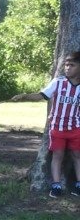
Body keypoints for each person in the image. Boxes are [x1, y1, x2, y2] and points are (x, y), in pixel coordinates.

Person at [11, 51, 80, 198]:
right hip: (57, 127)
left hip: (75, 128)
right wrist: (24, 96)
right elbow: (41, 95)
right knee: (58, 155)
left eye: (72, 65)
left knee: (77, 155)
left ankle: (78, 185)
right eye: (66, 65)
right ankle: (56, 185)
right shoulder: (58, 82)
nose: (67, 68)